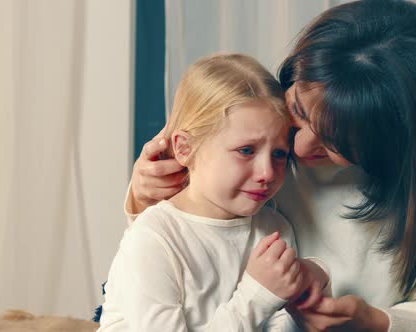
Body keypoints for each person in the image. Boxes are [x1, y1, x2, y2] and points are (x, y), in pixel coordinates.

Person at [124, 0, 416, 331]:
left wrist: (379, 322)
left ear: (394, 147)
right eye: (297, 109)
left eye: (337, 143)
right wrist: (146, 196)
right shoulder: (254, 119)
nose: (297, 145)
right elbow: (178, 252)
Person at [98, 53, 329, 332]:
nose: (267, 172)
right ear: (184, 148)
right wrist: (257, 296)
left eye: (279, 153)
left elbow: (280, 323)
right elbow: (259, 303)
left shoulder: (274, 228)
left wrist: (311, 281)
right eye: (246, 150)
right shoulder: (154, 238)